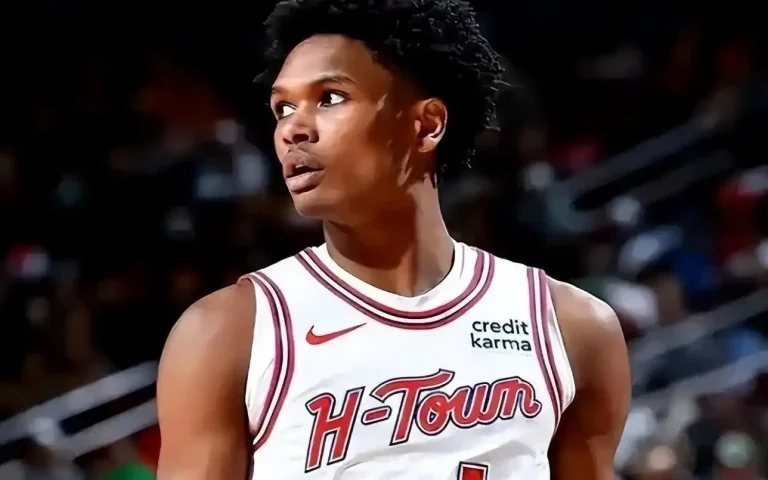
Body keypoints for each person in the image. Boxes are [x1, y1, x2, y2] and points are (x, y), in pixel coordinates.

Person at [156, 0, 631, 478]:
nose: (293, 129)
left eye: (331, 98)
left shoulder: (570, 327)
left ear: (426, 124)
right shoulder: (228, 334)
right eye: (283, 108)